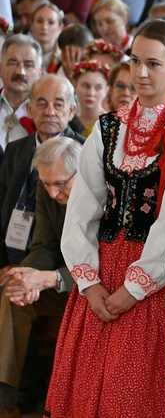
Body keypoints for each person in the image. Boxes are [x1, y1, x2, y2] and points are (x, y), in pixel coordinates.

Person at [44, 19, 165, 417]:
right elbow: (83, 207)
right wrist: (88, 282)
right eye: (136, 61)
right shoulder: (108, 128)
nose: (140, 73)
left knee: (148, 392)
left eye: (153, 64)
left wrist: (135, 287)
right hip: (103, 271)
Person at [0, 137, 82, 417]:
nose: (52, 192)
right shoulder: (47, 188)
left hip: (96, 290)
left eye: (60, 184)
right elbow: (44, 246)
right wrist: (28, 275)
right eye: (46, 184)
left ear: (81, 171)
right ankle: (5, 397)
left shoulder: (104, 194)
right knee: (14, 292)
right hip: (63, 281)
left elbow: (101, 267)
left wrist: (46, 279)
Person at [0, 74, 85, 274]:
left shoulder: (85, 152)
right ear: (30, 110)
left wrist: (25, 271)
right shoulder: (15, 150)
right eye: (42, 104)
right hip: (10, 254)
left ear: (72, 111)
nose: (50, 112)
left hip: (56, 264)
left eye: (58, 104)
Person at [0, 34, 43, 147]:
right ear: (0, 68)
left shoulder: (47, 111)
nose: (20, 72)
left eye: (28, 65)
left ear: (39, 73)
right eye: (13, 63)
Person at [72, 60, 110, 137]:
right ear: (75, 85)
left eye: (98, 88)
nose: (91, 93)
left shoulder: (111, 123)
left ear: (106, 90)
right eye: (86, 86)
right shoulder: (69, 121)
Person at [29, 2, 63, 74]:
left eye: (50, 22)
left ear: (60, 28)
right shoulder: (23, 53)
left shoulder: (64, 57)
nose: (44, 27)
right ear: (31, 26)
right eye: (39, 21)